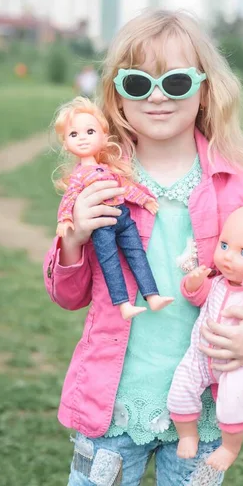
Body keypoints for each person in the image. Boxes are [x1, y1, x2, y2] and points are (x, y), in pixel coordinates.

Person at [43, 8, 243, 486]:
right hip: (115, 401)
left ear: (204, 90)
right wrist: (73, 239)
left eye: (176, 83)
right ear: (117, 94)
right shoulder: (99, 182)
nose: (158, 97)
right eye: (139, 84)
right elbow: (68, 296)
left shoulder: (240, 186)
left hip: (203, 409)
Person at [167, 204, 243, 471]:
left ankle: (230, 447)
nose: (228, 257)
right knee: (180, 390)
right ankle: (187, 433)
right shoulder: (219, 282)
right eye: (224, 245)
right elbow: (196, 297)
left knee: (235, 403)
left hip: (234, 363)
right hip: (199, 357)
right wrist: (194, 283)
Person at [52, 96, 174, 320]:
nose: (82, 139)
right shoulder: (79, 177)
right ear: (66, 143)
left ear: (103, 135)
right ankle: (123, 304)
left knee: (137, 255)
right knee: (111, 263)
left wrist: (144, 200)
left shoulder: (108, 170)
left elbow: (124, 189)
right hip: (102, 226)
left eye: (90, 132)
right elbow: (68, 200)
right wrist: (65, 220)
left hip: (124, 219)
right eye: (73, 134)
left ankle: (152, 295)